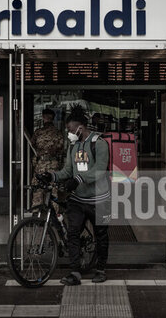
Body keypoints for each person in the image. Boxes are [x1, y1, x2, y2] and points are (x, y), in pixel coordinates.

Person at [38, 105, 110, 286]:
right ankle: (75, 272)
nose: (68, 133)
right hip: (78, 199)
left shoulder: (99, 144)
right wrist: (52, 175)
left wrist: (78, 179)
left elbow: (99, 171)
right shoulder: (73, 146)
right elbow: (67, 170)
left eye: (70, 129)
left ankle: (100, 269)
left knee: (101, 234)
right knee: (73, 233)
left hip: (99, 199)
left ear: (80, 128)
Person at [31, 108, 64, 209]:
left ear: (43, 117)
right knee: (54, 189)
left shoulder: (38, 132)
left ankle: (36, 216)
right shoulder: (58, 133)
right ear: (53, 118)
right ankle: (55, 214)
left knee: (38, 189)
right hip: (53, 163)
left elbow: (32, 145)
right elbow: (61, 149)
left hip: (41, 163)